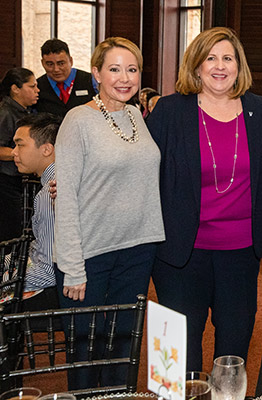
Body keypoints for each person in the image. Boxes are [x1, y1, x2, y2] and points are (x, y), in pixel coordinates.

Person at [146, 27, 262, 371]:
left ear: (239, 65)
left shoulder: (261, 111)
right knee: (174, 355)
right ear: (197, 65)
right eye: (211, 58)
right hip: (180, 254)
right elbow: (140, 170)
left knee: (233, 351)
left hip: (241, 255)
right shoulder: (170, 111)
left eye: (228, 58)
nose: (220, 66)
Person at [54, 37, 165, 390]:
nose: (124, 77)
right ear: (97, 73)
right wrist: (72, 266)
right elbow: (66, 194)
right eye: (114, 69)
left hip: (137, 250)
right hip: (90, 256)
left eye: (132, 69)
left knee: (122, 350)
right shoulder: (78, 120)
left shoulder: (136, 115)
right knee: (87, 354)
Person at [12, 113, 62, 311]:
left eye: (20, 145)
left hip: (55, 289)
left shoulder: (51, 191)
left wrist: (9, 277)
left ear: (47, 149)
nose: (14, 152)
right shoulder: (59, 179)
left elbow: (50, 270)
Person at [0, 67, 39, 241]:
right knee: (13, 231)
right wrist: (26, 155)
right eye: (32, 86)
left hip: (21, 181)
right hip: (7, 181)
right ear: (16, 89)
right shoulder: (6, 112)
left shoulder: (24, 111)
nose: (37, 91)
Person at [36, 38, 96, 117]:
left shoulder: (90, 80)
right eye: (50, 64)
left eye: (61, 63)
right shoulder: (37, 87)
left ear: (70, 61)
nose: (56, 69)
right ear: (43, 63)